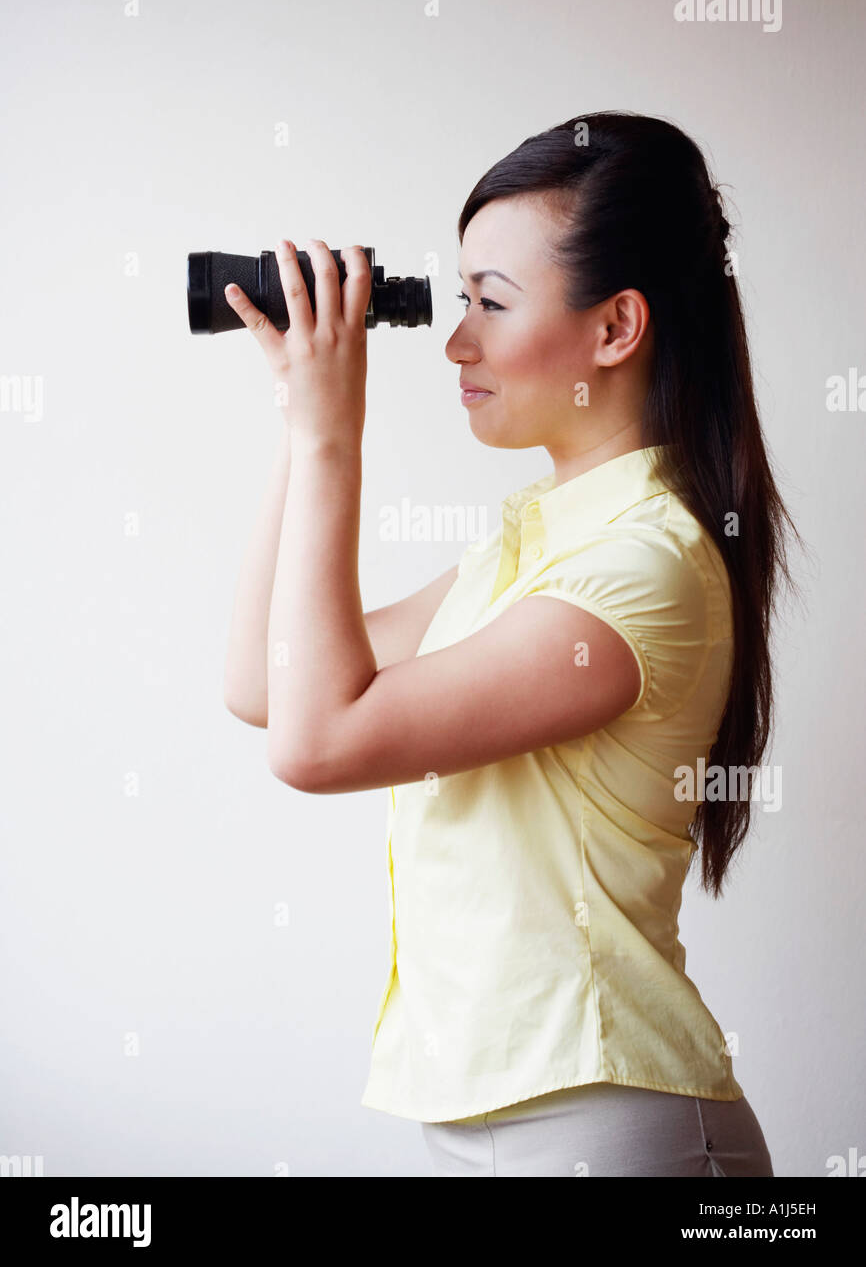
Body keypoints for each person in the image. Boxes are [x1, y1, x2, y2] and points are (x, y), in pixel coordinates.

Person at [221, 111, 803, 1177]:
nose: (456, 342)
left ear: (615, 327)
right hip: (491, 1113)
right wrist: (293, 413)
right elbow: (265, 681)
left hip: (608, 1122)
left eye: (490, 303)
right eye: (456, 303)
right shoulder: (528, 543)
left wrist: (331, 433)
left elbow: (316, 744)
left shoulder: (641, 568)